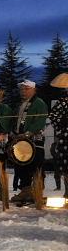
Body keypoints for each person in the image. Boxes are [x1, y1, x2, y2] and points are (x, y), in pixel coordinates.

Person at [10, 79, 48, 205]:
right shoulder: (20, 105)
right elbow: (14, 121)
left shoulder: (39, 103)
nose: (23, 91)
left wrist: (28, 133)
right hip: (20, 141)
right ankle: (26, 190)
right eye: (21, 89)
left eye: (26, 89)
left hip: (34, 140)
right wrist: (13, 133)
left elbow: (40, 121)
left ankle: (37, 191)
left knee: (36, 166)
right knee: (21, 166)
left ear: (34, 90)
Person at [48, 73, 68, 204]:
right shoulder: (62, 102)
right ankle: (67, 191)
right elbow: (53, 116)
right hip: (66, 137)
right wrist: (63, 123)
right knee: (66, 166)